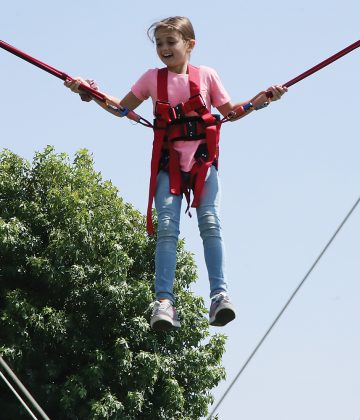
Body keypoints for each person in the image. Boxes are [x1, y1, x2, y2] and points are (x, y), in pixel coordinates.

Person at [65, 16, 287, 332]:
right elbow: (122, 108)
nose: (165, 49)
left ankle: (219, 296)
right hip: (169, 165)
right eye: (159, 44)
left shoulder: (207, 76)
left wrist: (261, 100)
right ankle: (165, 301)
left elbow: (231, 113)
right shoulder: (151, 79)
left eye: (171, 42)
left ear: (190, 45)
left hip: (201, 163)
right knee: (167, 227)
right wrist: (89, 92)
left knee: (210, 222)